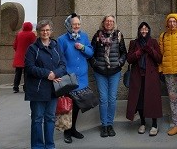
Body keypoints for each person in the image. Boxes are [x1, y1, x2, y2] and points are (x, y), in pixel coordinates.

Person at [24, 20, 67, 149]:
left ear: (51, 31)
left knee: (49, 118)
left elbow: (63, 65)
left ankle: (50, 145)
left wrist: (55, 73)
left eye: (47, 30)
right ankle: (37, 146)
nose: (45, 32)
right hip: (38, 90)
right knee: (37, 119)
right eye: (42, 30)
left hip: (53, 90)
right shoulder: (32, 49)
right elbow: (29, 67)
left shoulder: (56, 46)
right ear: (38, 32)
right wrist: (48, 74)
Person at [57, 13, 94, 144]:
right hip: (69, 78)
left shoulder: (83, 36)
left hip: (82, 78)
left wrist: (83, 47)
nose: (77, 26)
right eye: (74, 24)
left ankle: (73, 129)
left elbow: (90, 53)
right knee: (68, 106)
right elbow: (59, 59)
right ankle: (67, 132)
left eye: (78, 24)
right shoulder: (61, 40)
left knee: (78, 105)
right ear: (69, 25)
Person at [90, 15, 127, 138]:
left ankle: (110, 124)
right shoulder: (97, 35)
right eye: (107, 21)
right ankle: (104, 125)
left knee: (112, 99)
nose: (109, 23)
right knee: (103, 99)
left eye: (111, 21)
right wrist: (95, 64)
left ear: (114, 23)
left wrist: (119, 63)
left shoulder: (118, 35)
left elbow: (124, 53)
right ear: (103, 22)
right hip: (100, 72)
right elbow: (91, 53)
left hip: (114, 72)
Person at [126, 22, 163, 136]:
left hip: (151, 77)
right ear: (139, 31)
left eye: (146, 29)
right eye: (142, 29)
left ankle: (154, 124)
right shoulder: (134, 42)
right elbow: (129, 59)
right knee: (140, 100)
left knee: (153, 100)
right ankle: (142, 123)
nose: (144, 31)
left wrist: (150, 50)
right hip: (138, 76)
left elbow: (159, 59)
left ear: (149, 30)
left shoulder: (153, 42)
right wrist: (139, 52)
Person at [12, 21, 36, 93]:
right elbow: (34, 45)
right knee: (27, 73)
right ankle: (26, 87)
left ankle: (15, 87)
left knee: (18, 73)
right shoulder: (32, 35)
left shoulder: (19, 34)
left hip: (19, 56)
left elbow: (14, 46)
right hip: (28, 56)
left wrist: (18, 51)